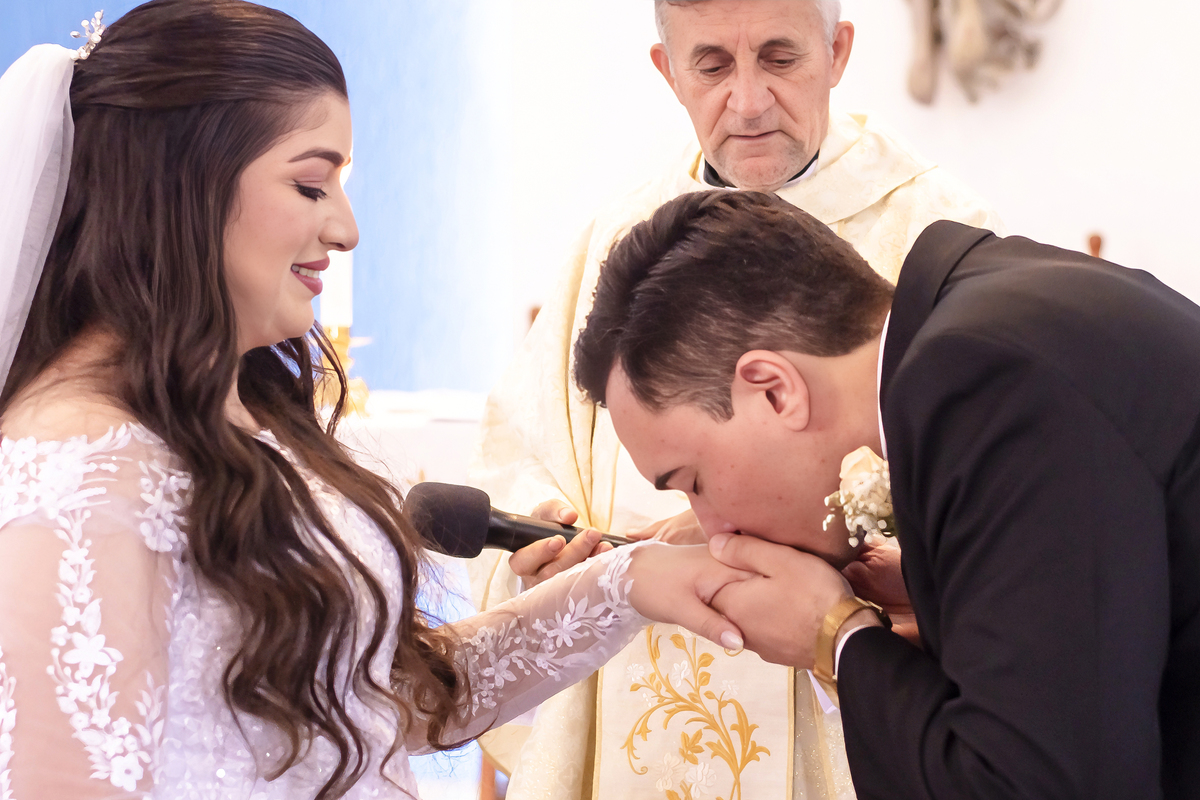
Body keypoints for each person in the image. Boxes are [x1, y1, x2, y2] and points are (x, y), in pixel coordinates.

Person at [0, 3, 757, 798]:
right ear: (181, 181)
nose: (348, 228)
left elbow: (378, 704)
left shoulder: (243, 419)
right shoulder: (77, 471)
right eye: (310, 183)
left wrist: (629, 584)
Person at [467, 1, 1002, 797]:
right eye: (713, 64)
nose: (747, 100)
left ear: (838, 52)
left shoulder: (934, 230)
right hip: (638, 705)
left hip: (853, 708)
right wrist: (539, 539)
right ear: (668, 71)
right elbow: (524, 448)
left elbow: (1003, 507)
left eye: (780, 59)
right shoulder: (621, 240)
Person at [572, 188, 1200, 799]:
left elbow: (1041, 782)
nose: (713, 531)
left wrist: (834, 637)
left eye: (693, 483)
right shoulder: (976, 305)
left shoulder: (983, 384)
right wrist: (949, 591)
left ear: (773, 390)